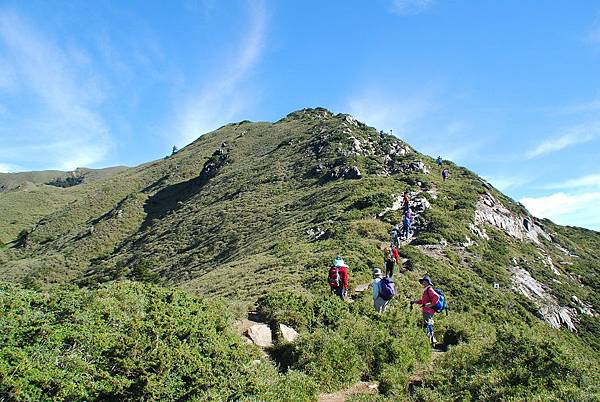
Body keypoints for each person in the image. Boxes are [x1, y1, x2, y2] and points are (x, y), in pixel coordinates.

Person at [411, 276, 439, 345]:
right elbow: (423, 301)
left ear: (426, 282)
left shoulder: (429, 289)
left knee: (428, 324)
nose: (422, 283)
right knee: (428, 324)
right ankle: (432, 341)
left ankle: (430, 341)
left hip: (428, 310)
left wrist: (430, 304)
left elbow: (436, 296)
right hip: (428, 310)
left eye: (423, 281)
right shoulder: (426, 290)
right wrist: (415, 302)